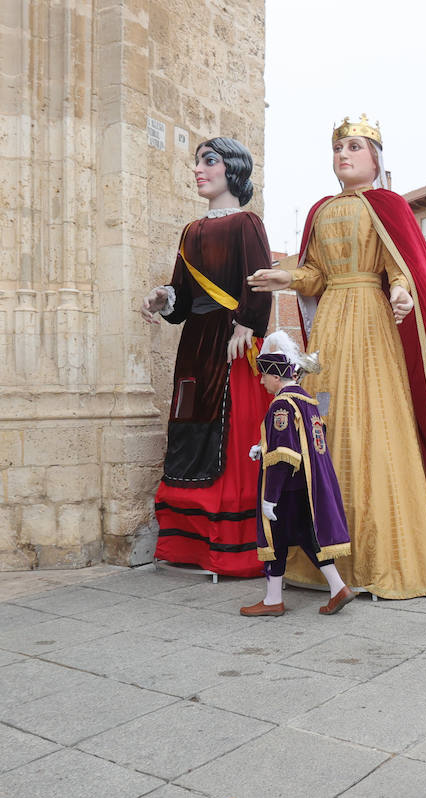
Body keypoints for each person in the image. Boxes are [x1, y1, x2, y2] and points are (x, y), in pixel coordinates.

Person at [247, 115, 426, 598]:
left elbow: (399, 268)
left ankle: (386, 558)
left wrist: (403, 292)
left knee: (378, 422)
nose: (343, 154)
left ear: (376, 158)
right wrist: (288, 277)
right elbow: (316, 274)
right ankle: (324, 559)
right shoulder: (320, 210)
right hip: (331, 323)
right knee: (327, 423)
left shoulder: (388, 207)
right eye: (338, 147)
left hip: (372, 320)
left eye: (355, 147)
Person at [142, 137, 272, 577]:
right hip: (194, 346)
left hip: (231, 343)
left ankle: (233, 544)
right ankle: (187, 546)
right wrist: (165, 297)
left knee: (229, 433)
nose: (199, 169)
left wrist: (247, 325)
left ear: (231, 169)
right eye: (198, 162)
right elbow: (183, 297)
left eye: (209, 161)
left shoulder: (246, 224)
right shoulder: (191, 232)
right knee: (188, 428)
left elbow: (257, 280)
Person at [240, 331, 354, 617]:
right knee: (305, 536)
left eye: (265, 375)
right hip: (306, 486)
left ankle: (272, 601)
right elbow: (298, 443)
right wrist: (262, 448)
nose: (262, 380)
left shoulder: (281, 404)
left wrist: (270, 497)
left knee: (275, 541)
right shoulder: (306, 400)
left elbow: (285, 456)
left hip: (287, 489)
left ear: (276, 376)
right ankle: (338, 587)